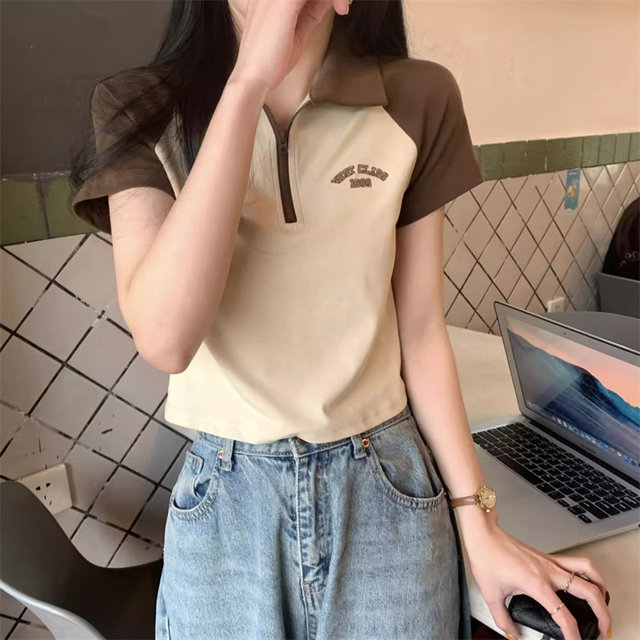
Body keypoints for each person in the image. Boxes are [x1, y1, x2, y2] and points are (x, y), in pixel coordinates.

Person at [69, 1, 613, 639]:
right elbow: (167, 339)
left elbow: (420, 329)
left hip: (386, 488)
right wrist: (246, 85)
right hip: (226, 504)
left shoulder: (418, 96)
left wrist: (479, 522)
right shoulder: (139, 108)